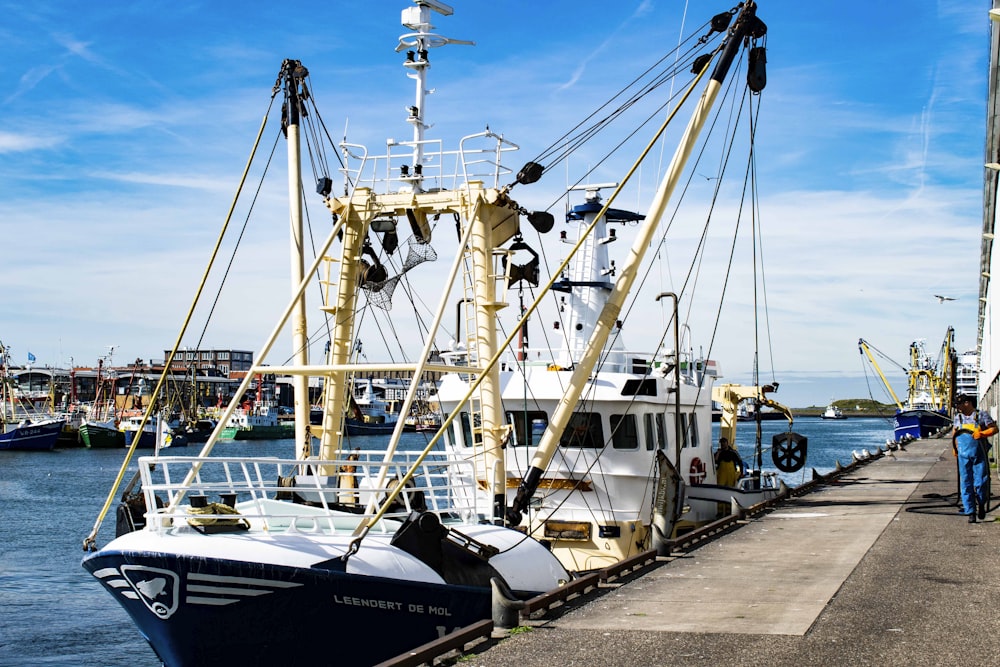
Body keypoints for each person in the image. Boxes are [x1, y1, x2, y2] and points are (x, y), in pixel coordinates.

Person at [951, 393, 997, 523]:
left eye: (959, 404)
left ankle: (981, 503)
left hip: (979, 454)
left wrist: (982, 433)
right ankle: (970, 511)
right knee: (965, 483)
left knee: (981, 481)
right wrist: (954, 448)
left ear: (967, 403)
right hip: (963, 455)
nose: (958, 407)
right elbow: (955, 432)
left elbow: (994, 429)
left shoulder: (981, 415)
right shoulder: (958, 418)